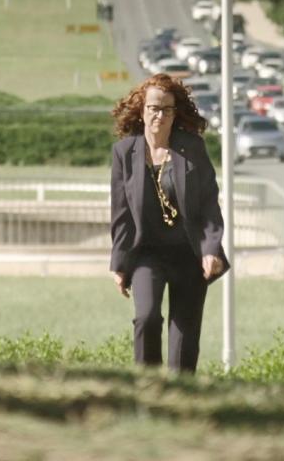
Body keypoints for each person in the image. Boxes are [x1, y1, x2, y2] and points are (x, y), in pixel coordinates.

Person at [110, 73, 229, 373]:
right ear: (142, 109)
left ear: (175, 114)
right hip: (147, 254)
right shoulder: (124, 153)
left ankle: (181, 400)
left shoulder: (192, 149)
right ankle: (148, 388)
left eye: (166, 109)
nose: (159, 115)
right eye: (153, 108)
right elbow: (121, 215)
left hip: (189, 254)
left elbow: (209, 202)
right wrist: (119, 263)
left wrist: (211, 249)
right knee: (147, 317)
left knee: (183, 342)